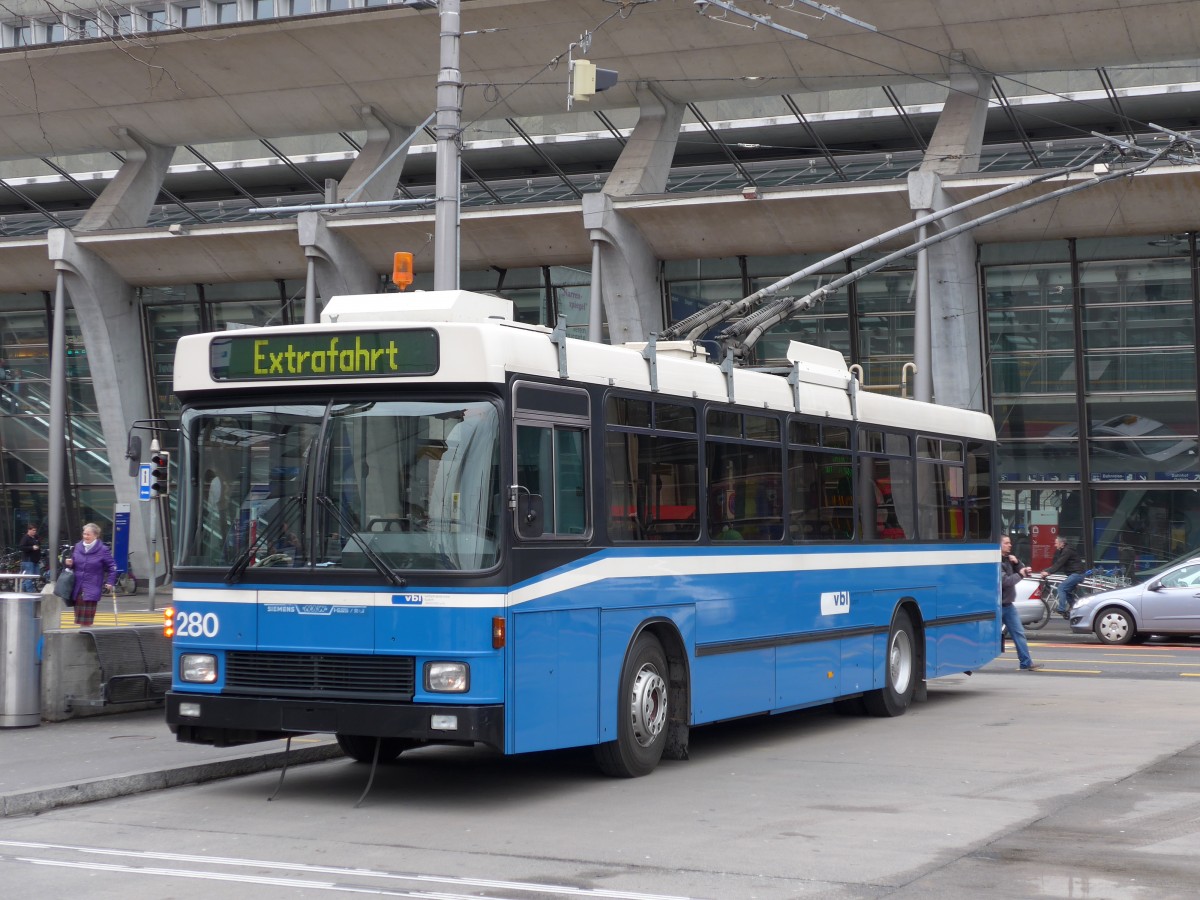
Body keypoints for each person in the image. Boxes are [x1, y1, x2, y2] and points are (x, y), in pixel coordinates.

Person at [63, 522, 116, 627]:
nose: (85, 536)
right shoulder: (78, 546)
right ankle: (81, 635)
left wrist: (110, 582)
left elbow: (112, 567)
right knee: (79, 617)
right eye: (84, 534)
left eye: (88, 534)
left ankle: (86, 635)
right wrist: (70, 564)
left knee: (87, 619)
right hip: (78, 586)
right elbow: (74, 564)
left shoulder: (103, 549)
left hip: (92, 585)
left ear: (95, 535)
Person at [1001, 535, 1042, 671]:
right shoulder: (996, 562)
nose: (1010, 545)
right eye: (1006, 543)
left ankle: (1026, 663)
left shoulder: (1009, 560)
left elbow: (1022, 570)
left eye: (1010, 543)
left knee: (1018, 633)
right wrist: (1021, 574)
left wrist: (1017, 562)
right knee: (985, 636)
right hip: (996, 606)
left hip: (1008, 605)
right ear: (999, 545)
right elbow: (1006, 581)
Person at [1039, 536, 1086, 617]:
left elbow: (1059, 563)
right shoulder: (1064, 550)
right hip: (1076, 574)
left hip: (1077, 574)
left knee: (1061, 588)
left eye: (1056, 543)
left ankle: (1061, 609)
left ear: (1062, 544)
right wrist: (1046, 570)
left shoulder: (1067, 551)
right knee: (1066, 591)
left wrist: (1048, 572)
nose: (1055, 545)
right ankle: (1074, 607)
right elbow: (1057, 563)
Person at [18, 524, 40, 592]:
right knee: (29, 577)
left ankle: (22, 590)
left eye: (35, 530)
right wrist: (31, 548)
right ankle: (29, 592)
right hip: (28, 560)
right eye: (33, 530)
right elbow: (21, 547)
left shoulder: (35, 537)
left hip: (34, 560)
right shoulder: (26, 538)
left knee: (33, 576)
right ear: (29, 530)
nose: (34, 532)